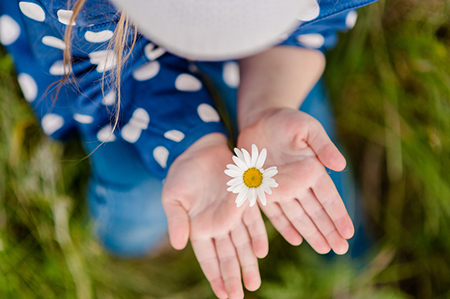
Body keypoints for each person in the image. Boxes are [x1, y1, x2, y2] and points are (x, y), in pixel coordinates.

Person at [0, 0, 376, 298]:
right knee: (138, 202)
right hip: (111, 69)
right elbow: (96, 79)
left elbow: (312, 23)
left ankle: (350, 271)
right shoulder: (75, 7)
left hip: (272, 50)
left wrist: (269, 103)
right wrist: (189, 144)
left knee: (301, 155)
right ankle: (134, 243)